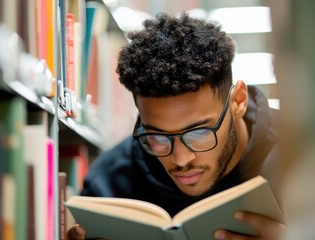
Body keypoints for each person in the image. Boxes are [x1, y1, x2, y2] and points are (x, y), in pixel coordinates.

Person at [68, 12, 286, 240]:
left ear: (238, 101)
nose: (181, 160)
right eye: (157, 137)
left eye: (199, 132)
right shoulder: (109, 184)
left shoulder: (308, 159)